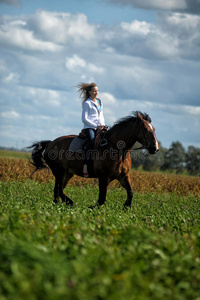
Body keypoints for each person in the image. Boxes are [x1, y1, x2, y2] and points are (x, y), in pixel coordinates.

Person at [77, 82, 105, 177]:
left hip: (100, 127)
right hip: (89, 128)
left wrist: (103, 125)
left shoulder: (99, 101)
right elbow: (84, 119)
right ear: (89, 92)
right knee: (92, 143)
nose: (96, 93)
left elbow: (101, 115)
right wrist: (96, 126)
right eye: (94, 91)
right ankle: (85, 165)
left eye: (97, 91)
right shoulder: (87, 103)